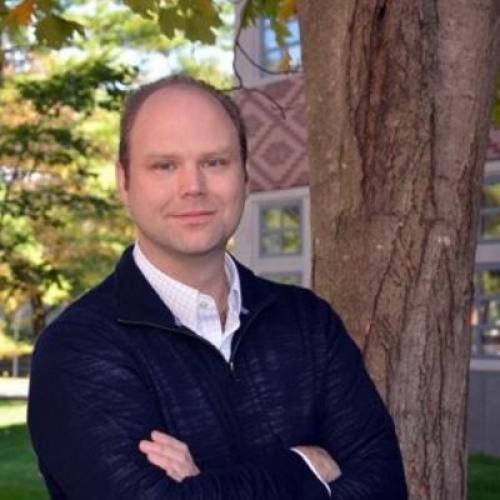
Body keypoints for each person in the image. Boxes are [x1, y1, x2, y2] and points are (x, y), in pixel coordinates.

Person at [28, 75, 408, 499]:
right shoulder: (78, 349)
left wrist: (204, 485)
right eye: (164, 166)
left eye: (215, 162)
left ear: (245, 175)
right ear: (124, 182)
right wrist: (306, 466)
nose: (193, 186)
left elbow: (385, 486)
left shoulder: (308, 323)